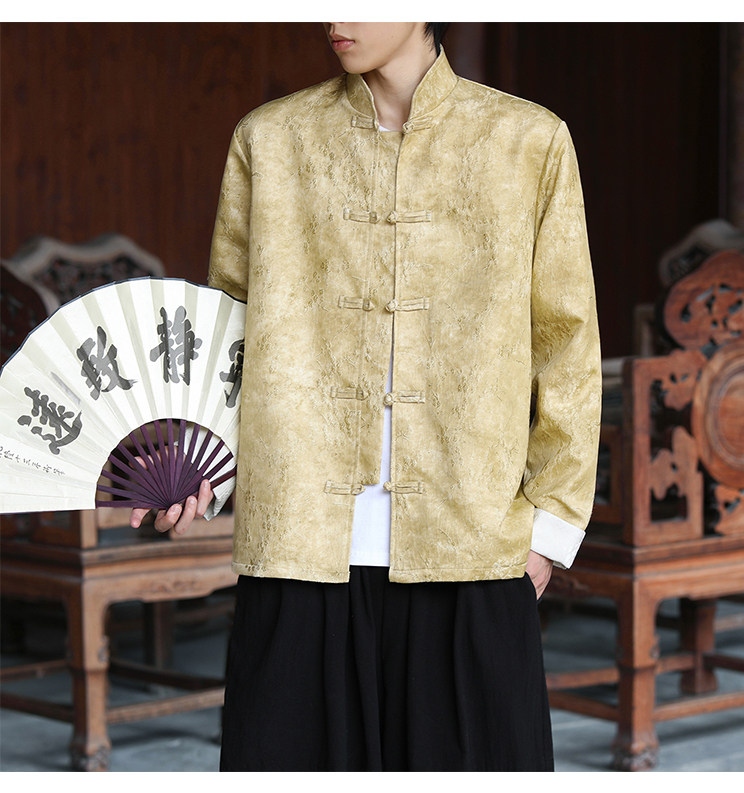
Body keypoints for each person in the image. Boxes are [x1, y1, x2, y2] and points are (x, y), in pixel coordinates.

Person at [131, 22, 601, 771]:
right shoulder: (270, 141)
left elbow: (567, 342)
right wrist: (199, 469)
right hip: (298, 546)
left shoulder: (528, 141)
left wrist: (548, 533)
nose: (333, 18)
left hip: (472, 544)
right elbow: (229, 335)